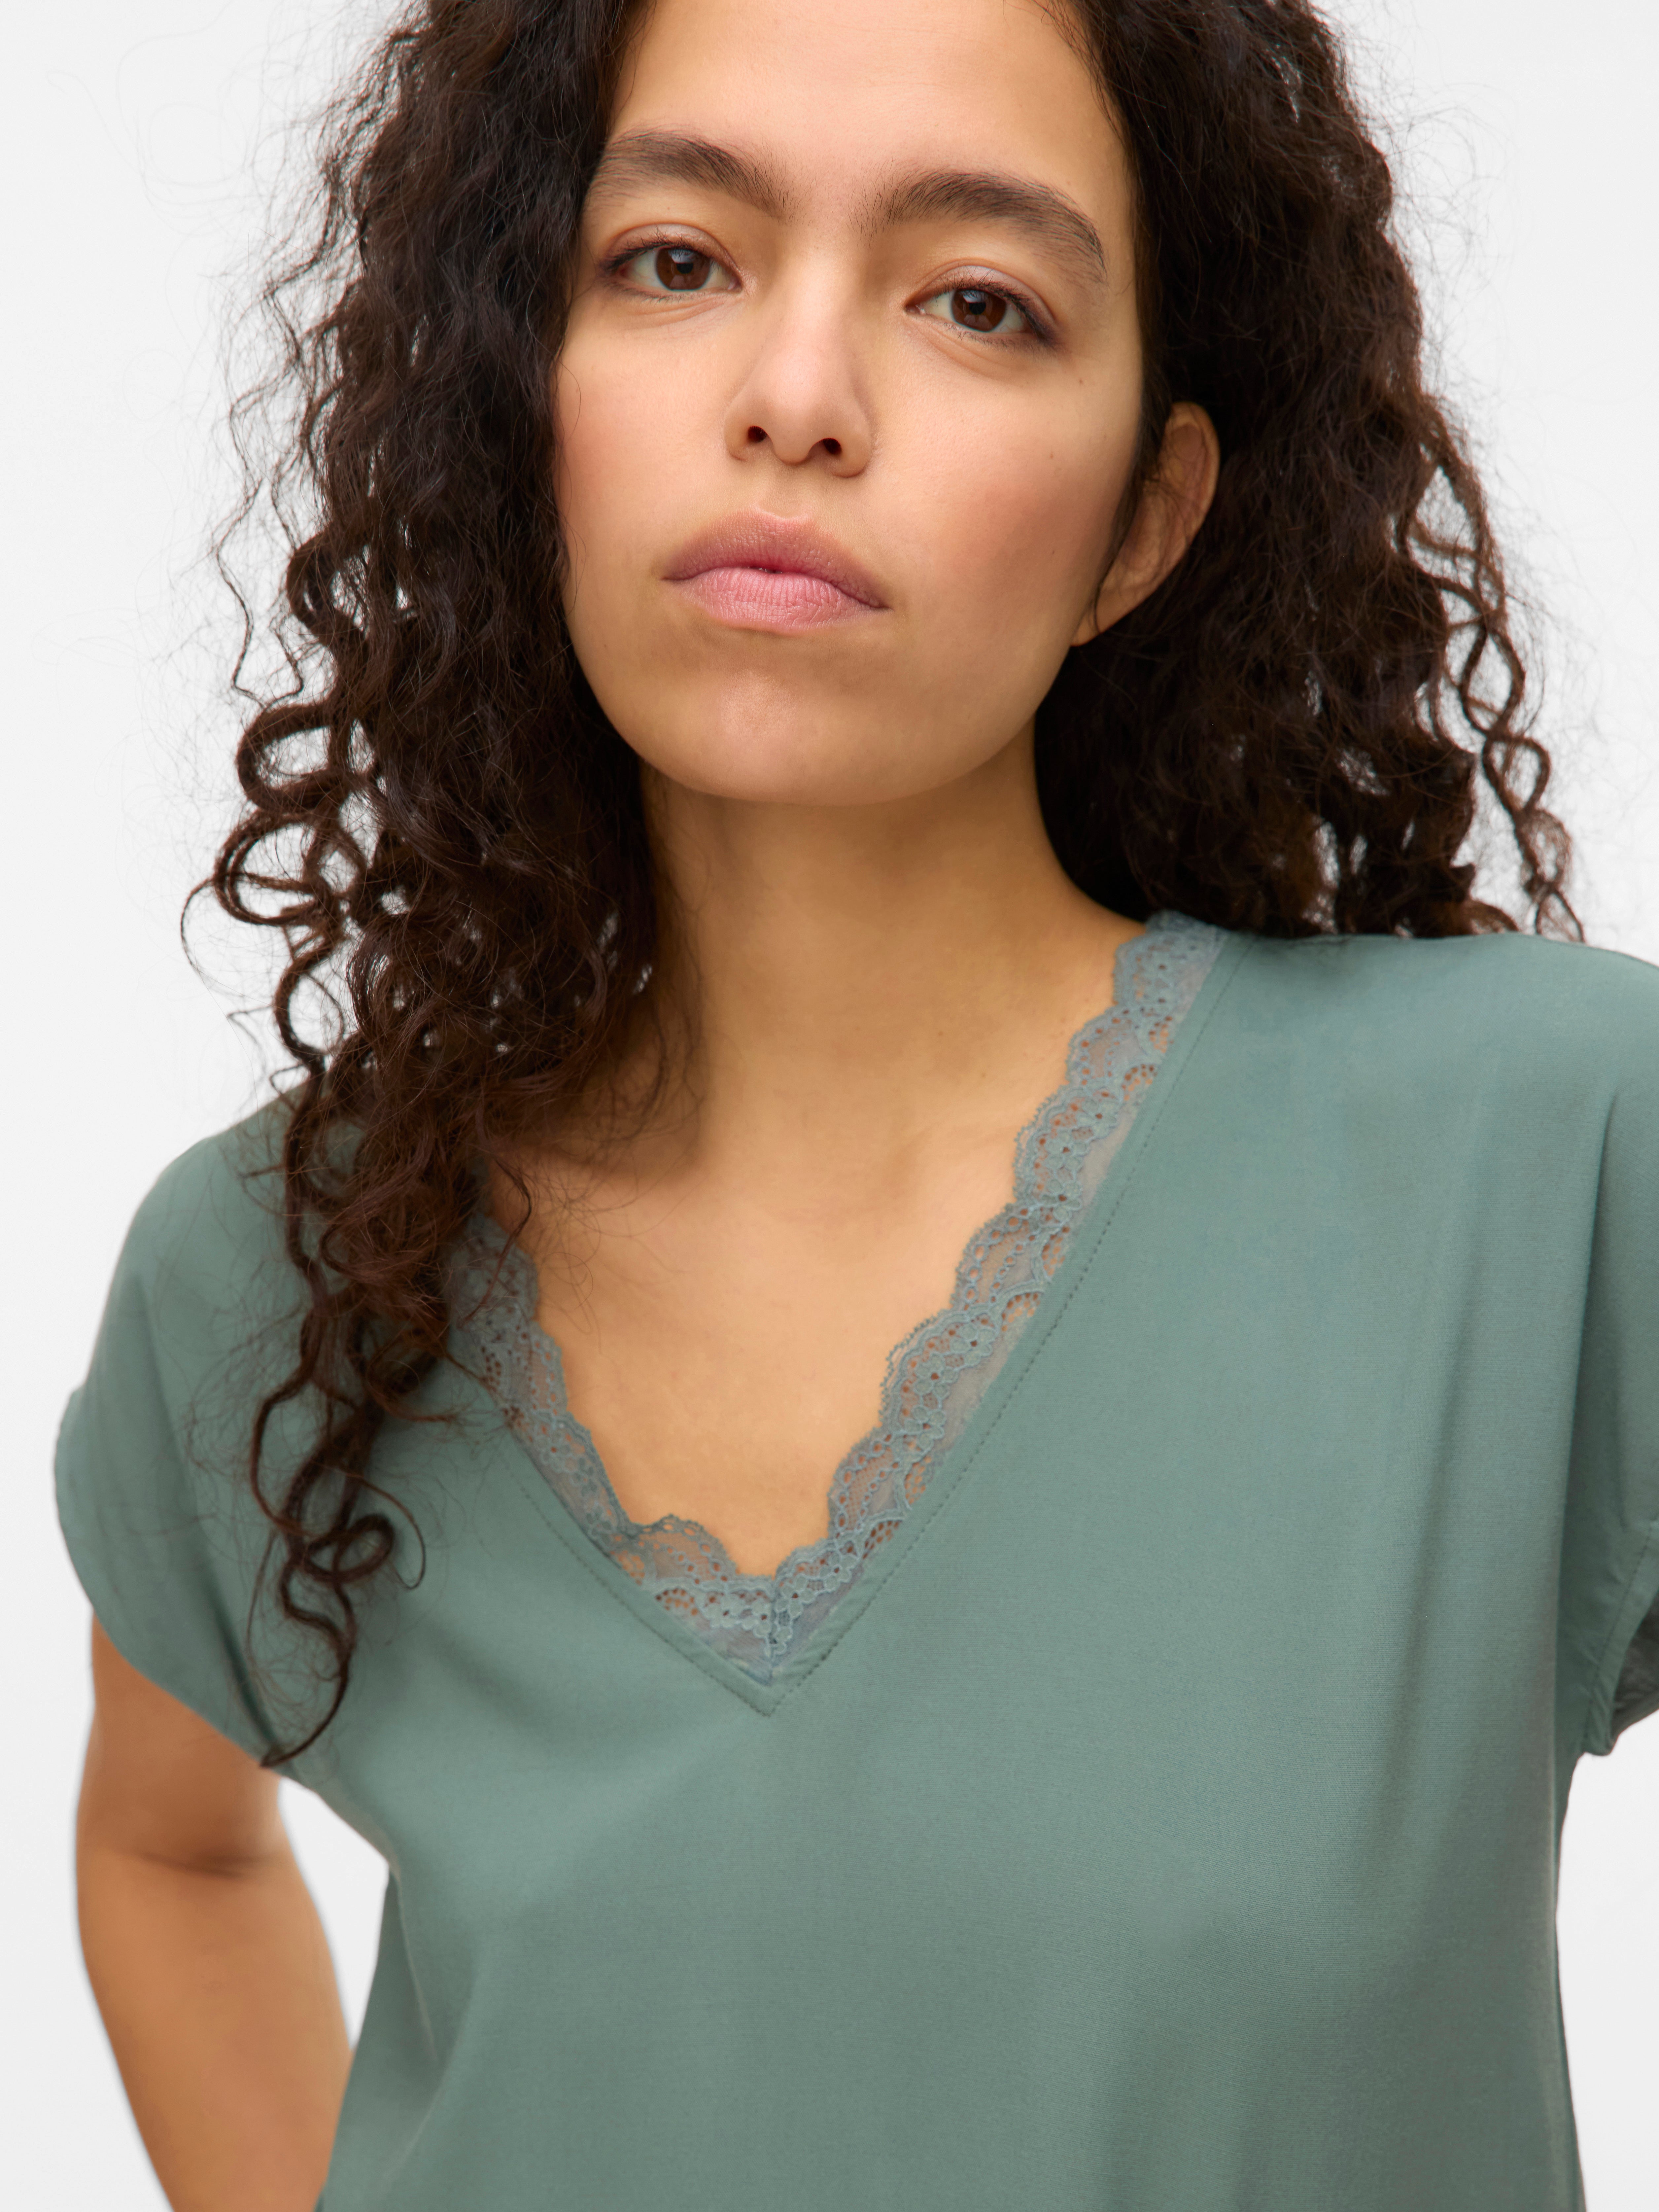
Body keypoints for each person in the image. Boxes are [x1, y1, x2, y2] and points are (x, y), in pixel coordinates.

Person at [56, 0, 1659, 2204]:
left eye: (976, 301)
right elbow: (167, 1849)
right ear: (521, 401)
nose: (795, 394)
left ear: (1143, 521)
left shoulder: (1551, 1161)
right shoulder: (286, 1268)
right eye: (675, 261)